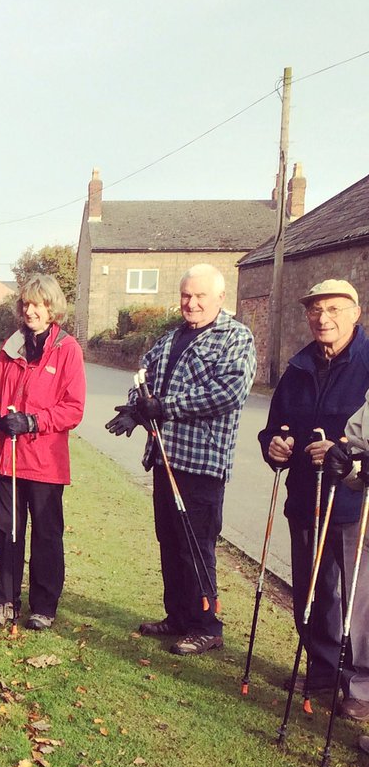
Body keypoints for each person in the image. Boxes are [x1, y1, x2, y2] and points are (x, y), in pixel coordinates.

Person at [106, 263, 256, 655]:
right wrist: (137, 408)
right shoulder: (171, 338)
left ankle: (207, 626)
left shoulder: (235, 338)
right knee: (170, 542)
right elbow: (143, 377)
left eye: (200, 296)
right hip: (165, 459)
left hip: (202, 464)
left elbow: (227, 393)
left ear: (220, 297)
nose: (191, 303)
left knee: (196, 546)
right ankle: (178, 617)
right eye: (186, 296)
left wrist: (164, 407)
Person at [259, 280, 369, 715]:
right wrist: (274, 446)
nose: (323, 318)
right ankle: (322, 670)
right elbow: (274, 426)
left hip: (355, 501)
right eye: (315, 310)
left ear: (356, 313)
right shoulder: (298, 367)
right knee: (312, 590)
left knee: (359, 597)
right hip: (305, 496)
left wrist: (345, 452)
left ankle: (361, 687)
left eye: (334, 309)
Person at [0, 275, 86, 630]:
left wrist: (33, 421)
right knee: (7, 531)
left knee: (46, 534)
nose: (31, 311)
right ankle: (5, 601)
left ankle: (44, 606)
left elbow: (73, 408)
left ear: (51, 307)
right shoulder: (11, 346)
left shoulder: (67, 349)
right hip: (6, 457)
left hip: (44, 460)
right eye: (26, 304)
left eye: (38, 304)